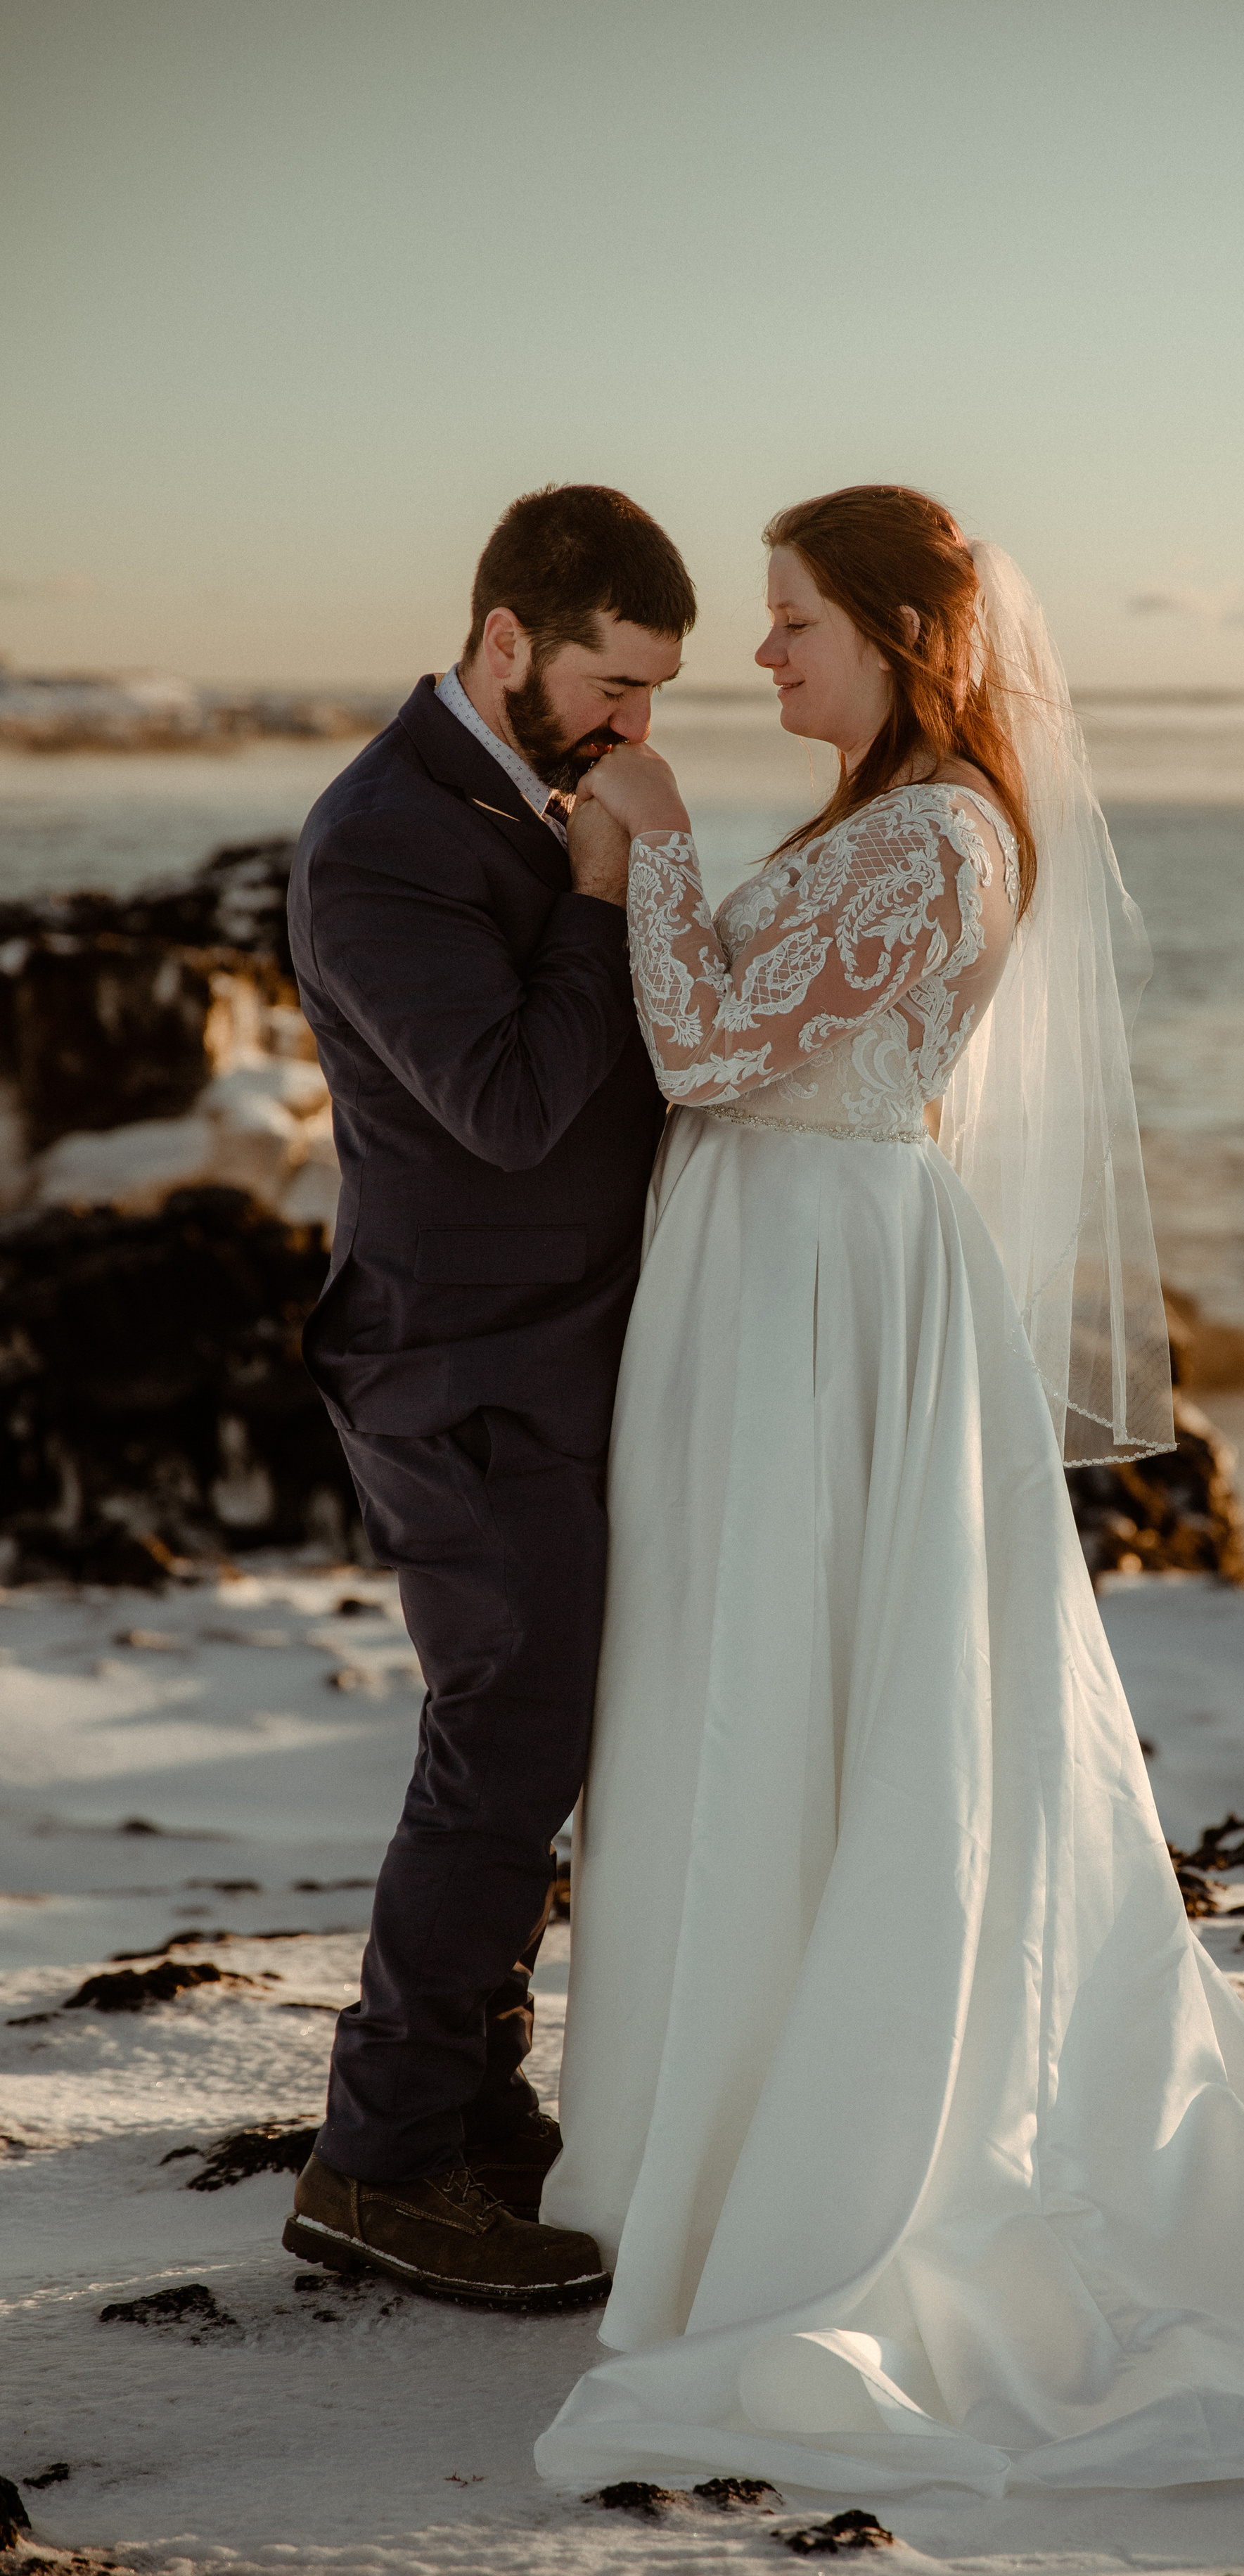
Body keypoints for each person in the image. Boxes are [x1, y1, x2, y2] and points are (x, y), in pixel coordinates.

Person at [534, 485, 1244, 2496]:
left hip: (829, 1285)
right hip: (772, 1275)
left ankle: (817, 2173)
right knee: (748, 1680)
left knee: (828, 1690)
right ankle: (705, 2142)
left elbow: (713, 1047)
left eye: (796, 621)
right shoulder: (868, 822)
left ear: (911, 638)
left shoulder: (939, 837)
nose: (764, 658)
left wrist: (651, 853)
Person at [281, 483, 693, 2307]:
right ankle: (373, 2166)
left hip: (552, 1355)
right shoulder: (374, 841)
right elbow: (516, 1105)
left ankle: (465, 2104)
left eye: (660, 695)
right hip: (456, 1370)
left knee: (536, 1749)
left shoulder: (529, 780)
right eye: (615, 686)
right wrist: (612, 880)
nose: (638, 732)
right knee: (501, 1751)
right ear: (507, 640)